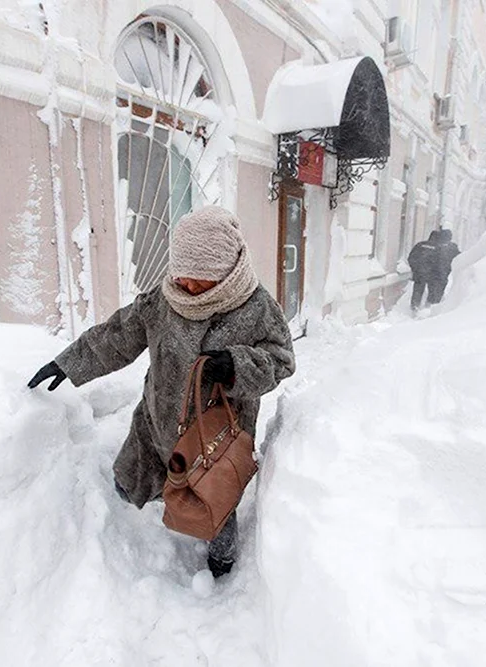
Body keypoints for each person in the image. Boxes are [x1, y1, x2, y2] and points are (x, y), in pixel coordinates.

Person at [27, 206, 296, 578]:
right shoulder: (166, 298)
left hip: (216, 435)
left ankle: (221, 556)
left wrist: (238, 366)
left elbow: (280, 359)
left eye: (197, 280)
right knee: (129, 485)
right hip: (159, 421)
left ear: (224, 272)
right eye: (181, 275)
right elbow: (119, 334)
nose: (186, 286)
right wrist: (69, 363)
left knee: (215, 500)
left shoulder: (257, 307)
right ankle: (161, 501)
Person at [406, 230, 440, 313]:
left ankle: (414, 308)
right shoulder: (439, 248)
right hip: (431, 275)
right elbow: (440, 263)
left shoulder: (420, 245)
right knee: (432, 291)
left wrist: (415, 269)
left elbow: (411, 258)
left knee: (417, 290)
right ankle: (428, 309)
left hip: (419, 273)